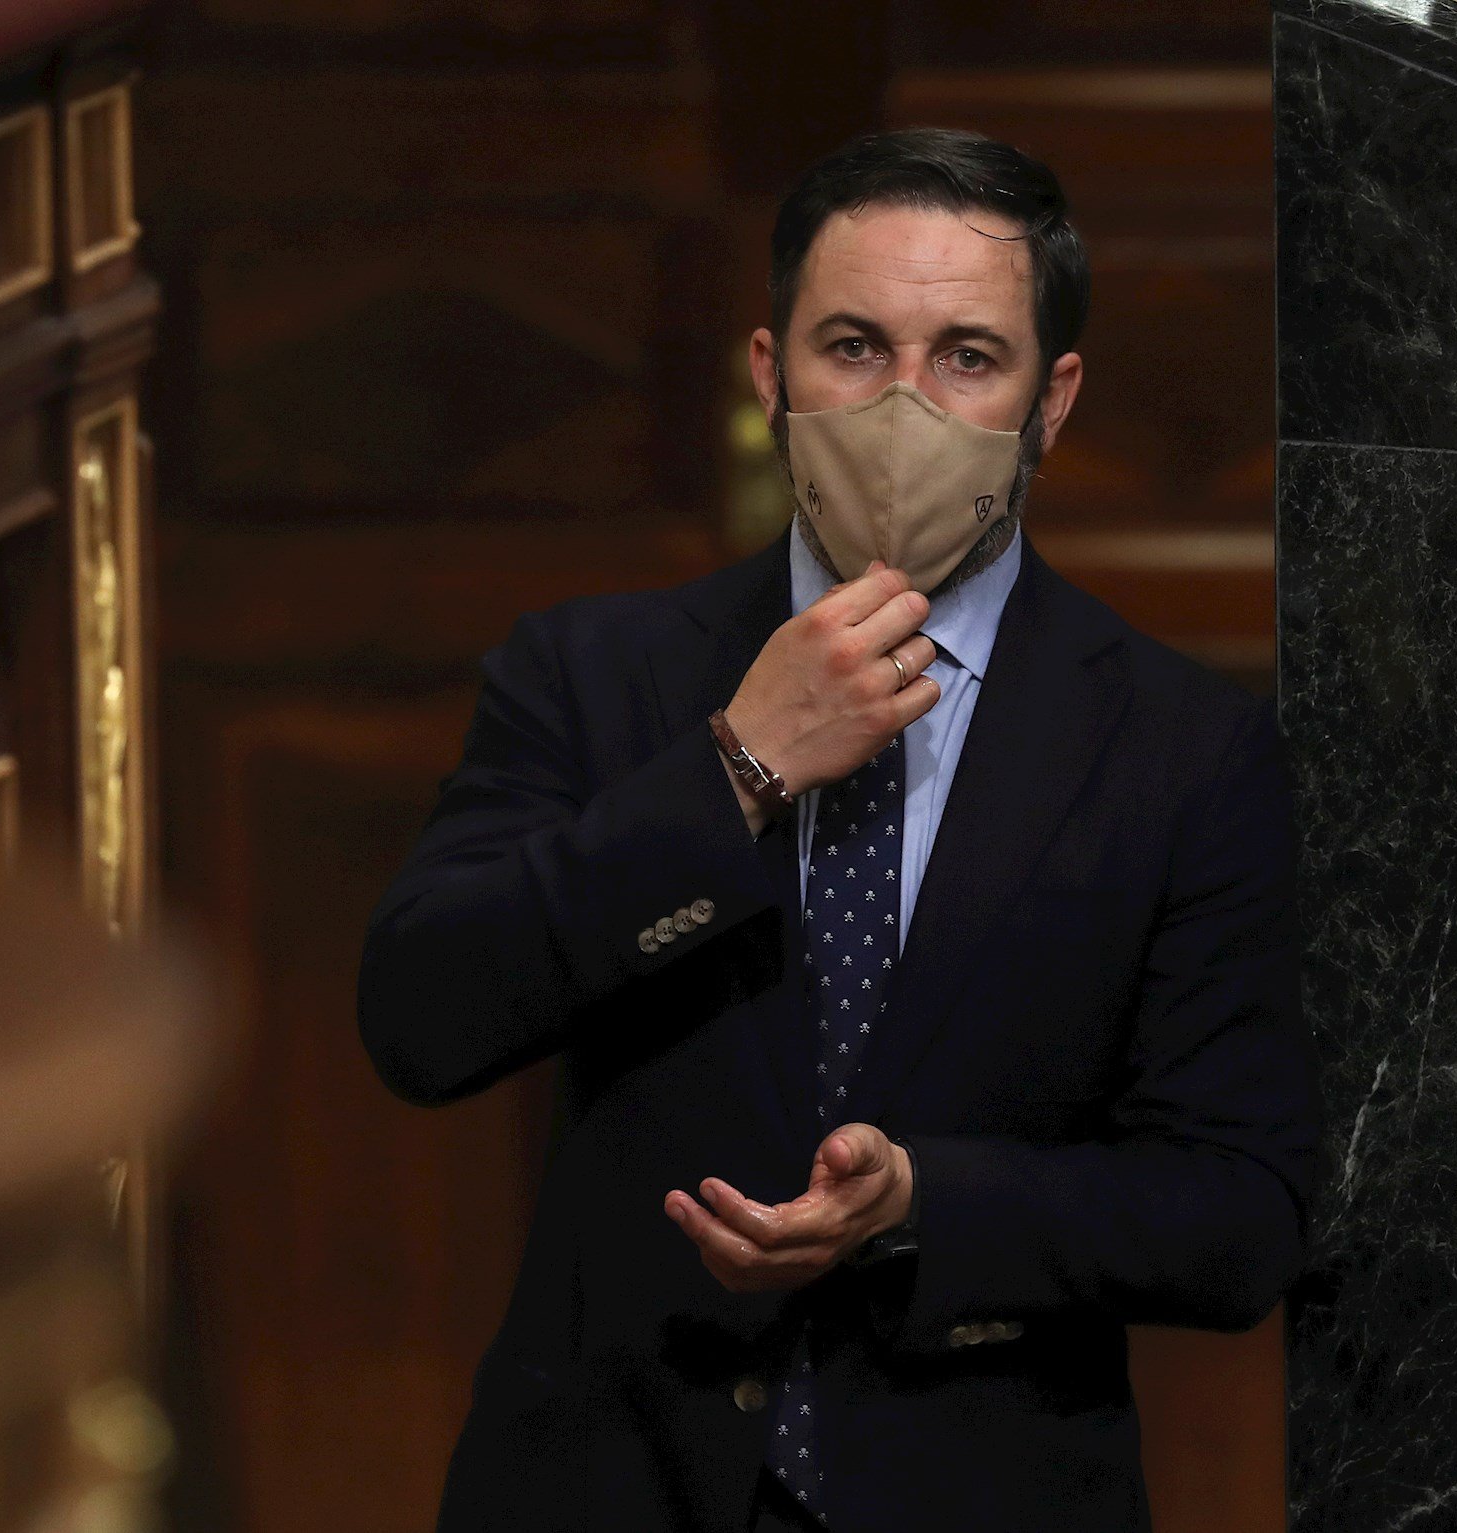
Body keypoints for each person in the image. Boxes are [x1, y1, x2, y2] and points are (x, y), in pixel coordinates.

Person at [356, 127, 1322, 1533]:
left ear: (1051, 402)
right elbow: (421, 1017)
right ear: (770, 375)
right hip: (613, 1483)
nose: (904, 408)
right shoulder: (591, 673)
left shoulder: (1188, 751)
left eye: (967, 358)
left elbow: (1240, 1215)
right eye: (856, 348)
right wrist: (737, 769)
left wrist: (923, 1200)